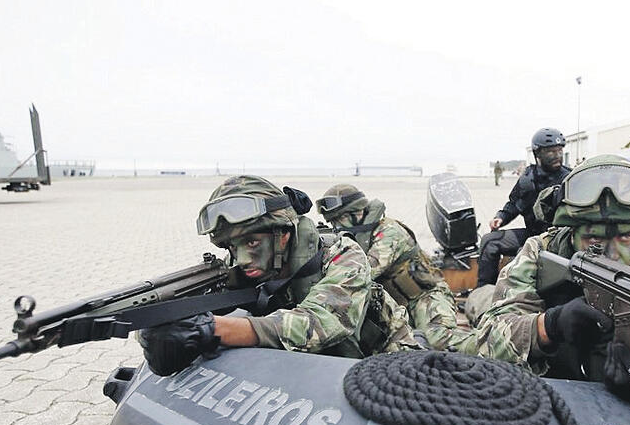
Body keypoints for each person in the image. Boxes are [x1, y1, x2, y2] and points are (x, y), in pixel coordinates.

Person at [136, 176, 419, 376]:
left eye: (252, 243)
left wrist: (211, 329)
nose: (242, 258)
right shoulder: (248, 264)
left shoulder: (342, 254)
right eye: (233, 246)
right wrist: (164, 322)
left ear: (282, 235)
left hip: (385, 360)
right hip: (317, 366)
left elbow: (321, 323)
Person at [475, 155, 630, 402]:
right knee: (477, 302)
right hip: (551, 388)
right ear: (570, 233)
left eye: (625, 237)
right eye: (593, 239)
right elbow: (488, 338)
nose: (612, 254)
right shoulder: (542, 251)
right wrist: (548, 325)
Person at [317, 183, 477, 354]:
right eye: (332, 222)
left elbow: (364, 273)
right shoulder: (357, 236)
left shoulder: (389, 232)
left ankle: (490, 345)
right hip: (395, 304)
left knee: (438, 338)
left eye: (338, 220)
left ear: (357, 213)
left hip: (424, 296)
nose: (336, 226)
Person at [476, 127, 572, 288]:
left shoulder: (570, 179)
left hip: (558, 240)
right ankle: (484, 291)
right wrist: (501, 217)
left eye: (560, 151)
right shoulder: (528, 178)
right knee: (489, 241)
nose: (557, 156)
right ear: (538, 154)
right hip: (532, 234)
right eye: (551, 152)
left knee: (521, 257)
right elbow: (514, 204)